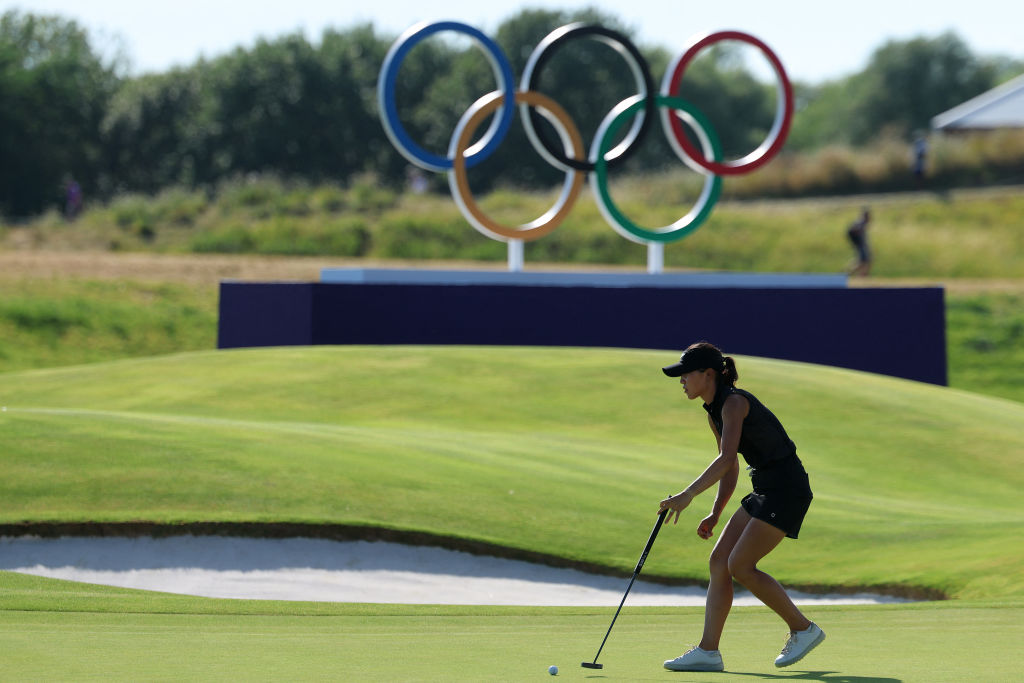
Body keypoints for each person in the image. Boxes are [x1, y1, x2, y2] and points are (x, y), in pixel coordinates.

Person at [658, 342, 824, 672]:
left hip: (786, 489)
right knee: (720, 560)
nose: (681, 381)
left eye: (685, 375)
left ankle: (803, 629)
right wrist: (716, 512)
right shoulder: (715, 412)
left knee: (741, 565)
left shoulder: (734, 403)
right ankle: (708, 651)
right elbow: (731, 466)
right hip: (765, 488)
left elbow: (725, 459)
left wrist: (688, 494)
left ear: (707, 375)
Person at [846, 207, 871, 276]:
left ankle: (862, 275)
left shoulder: (862, 223)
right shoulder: (860, 223)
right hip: (860, 245)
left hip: (861, 244)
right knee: (863, 261)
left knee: (864, 260)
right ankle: (849, 273)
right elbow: (852, 231)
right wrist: (857, 241)